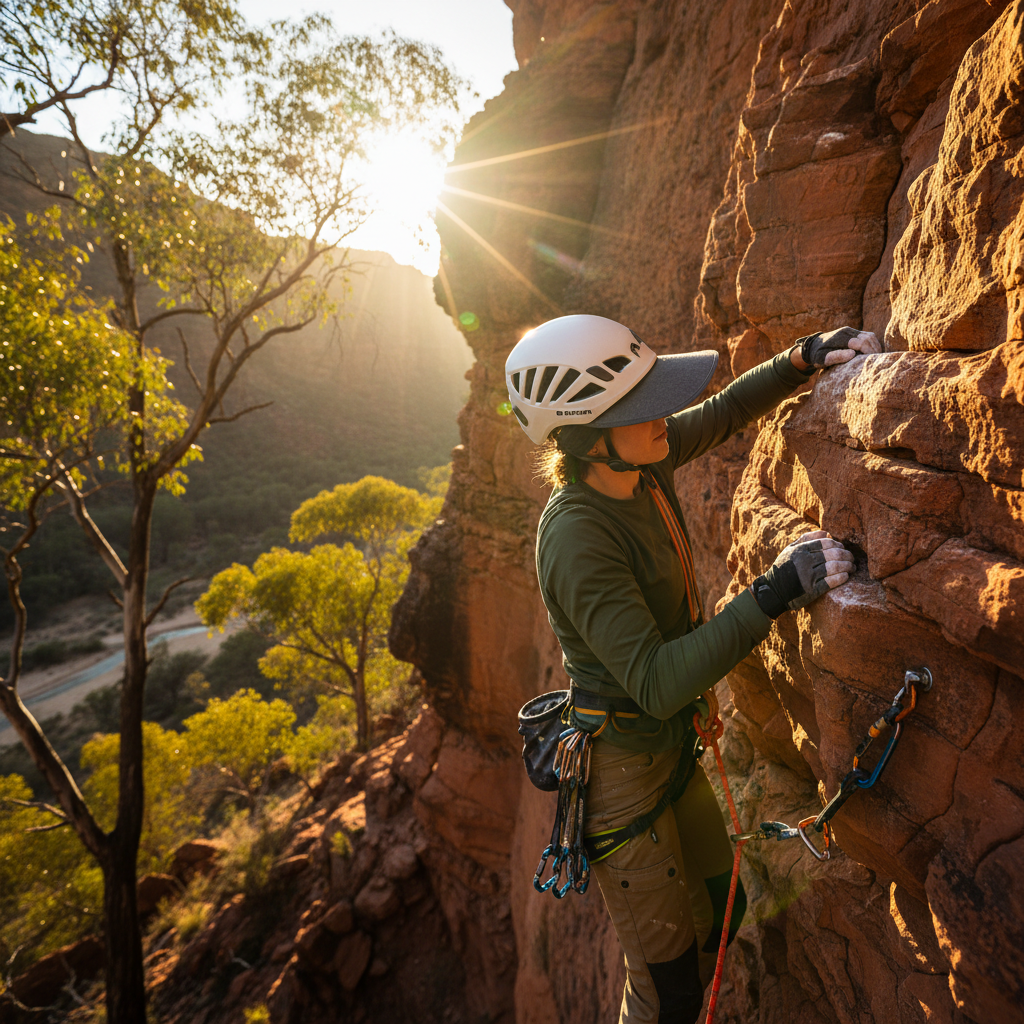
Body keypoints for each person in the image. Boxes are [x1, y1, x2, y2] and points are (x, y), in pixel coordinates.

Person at [505, 315, 880, 1024]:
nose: (664, 415)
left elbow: (723, 413)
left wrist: (801, 359)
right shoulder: (578, 537)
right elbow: (657, 681)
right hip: (623, 777)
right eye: (641, 406)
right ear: (587, 437)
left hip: (669, 753)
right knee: (664, 992)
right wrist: (773, 591)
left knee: (724, 905)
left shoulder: (637, 463)